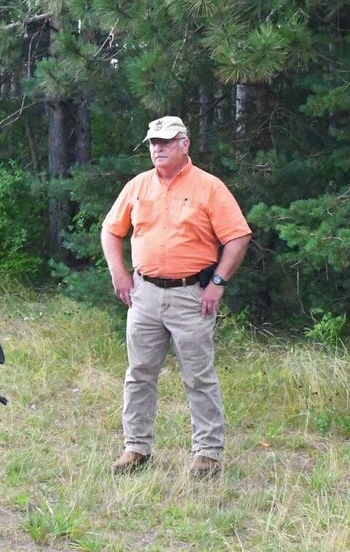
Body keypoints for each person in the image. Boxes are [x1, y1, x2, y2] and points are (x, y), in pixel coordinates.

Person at [100, 115, 251, 478]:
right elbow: (110, 230)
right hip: (145, 294)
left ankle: (208, 453)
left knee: (198, 376)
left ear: (185, 144)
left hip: (191, 296)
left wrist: (218, 281)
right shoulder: (138, 186)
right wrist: (119, 273)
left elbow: (238, 236)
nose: (158, 148)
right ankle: (136, 447)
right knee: (139, 373)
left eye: (166, 141)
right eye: (153, 142)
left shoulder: (210, 187)